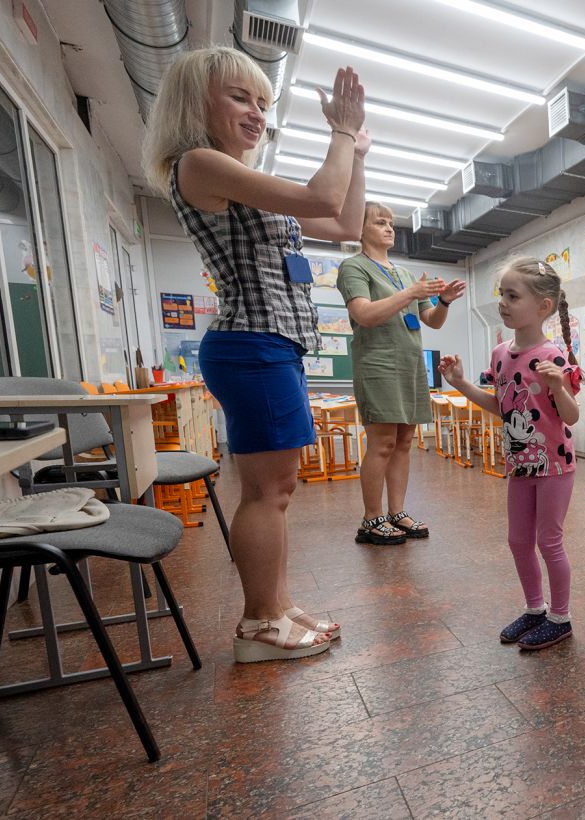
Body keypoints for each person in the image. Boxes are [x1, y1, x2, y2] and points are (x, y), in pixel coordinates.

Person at [144, 48, 368, 663]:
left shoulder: (246, 186)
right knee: (267, 492)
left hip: (271, 347)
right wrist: (341, 132)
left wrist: (360, 152)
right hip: (253, 344)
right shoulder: (199, 162)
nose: (256, 114)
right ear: (196, 104)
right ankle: (259, 625)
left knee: (278, 489)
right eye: (239, 97)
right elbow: (323, 197)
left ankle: (276, 604)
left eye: (263, 103)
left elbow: (345, 219)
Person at [440, 258, 581, 650]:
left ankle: (560, 616)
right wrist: (460, 383)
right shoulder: (501, 352)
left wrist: (557, 387)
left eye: (512, 295)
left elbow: (571, 415)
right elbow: (502, 406)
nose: (503, 302)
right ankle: (535, 608)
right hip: (519, 465)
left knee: (548, 541)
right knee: (519, 541)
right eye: (501, 293)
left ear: (543, 307)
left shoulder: (554, 355)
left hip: (555, 465)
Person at [337, 202, 466, 546]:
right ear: (360, 229)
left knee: (405, 442)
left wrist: (445, 302)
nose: (390, 228)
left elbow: (431, 321)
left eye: (392, 223)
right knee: (382, 443)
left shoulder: (406, 274)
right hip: (378, 364)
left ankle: (397, 512)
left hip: (410, 366)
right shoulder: (354, 267)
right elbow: (364, 314)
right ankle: (371, 518)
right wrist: (410, 293)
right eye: (380, 222)